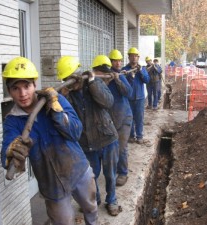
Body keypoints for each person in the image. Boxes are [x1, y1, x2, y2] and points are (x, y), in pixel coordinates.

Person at [0, 57, 98, 225]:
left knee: (91, 208)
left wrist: (57, 111)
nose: (22, 94)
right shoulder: (12, 121)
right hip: (51, 183)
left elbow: (76, 131)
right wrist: (11, 153)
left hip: (78, 169)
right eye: (15, 88)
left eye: (26, 86)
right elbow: (6, 155)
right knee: (63, 222)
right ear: (9, 91)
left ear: (34, 84)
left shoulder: (55, 99)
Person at [57, 55, 121, 216]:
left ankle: (112, 201)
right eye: (66, 80)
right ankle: (95, 200)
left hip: (107, 138)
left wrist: (92, 83)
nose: (71, 83)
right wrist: (63, 97)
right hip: (87, 143)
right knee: (91, 176)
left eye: (72, 79)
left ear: (79, 74)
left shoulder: (95, 83)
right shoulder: (67, 95)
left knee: (110, 174)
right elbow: (66, 120)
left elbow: (108, 102)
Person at [105, 49, 133, 186]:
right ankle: (115, 169)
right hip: (112, 118)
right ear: (110, 62)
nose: (118, 63)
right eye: (116, 60)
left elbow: (129, 92)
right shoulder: (104, 77)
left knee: (121, 147)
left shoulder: (120, 76)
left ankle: (123, 173)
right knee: (112, 147)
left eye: (120, 60)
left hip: (125, 117)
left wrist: (118, 81)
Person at [122, 47, 150, 144]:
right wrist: (129, 76)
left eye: (135, 56)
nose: (134, 58)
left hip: (139, 98)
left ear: (138, 58)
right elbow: (122, 83)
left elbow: (147, 80)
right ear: (128, 57)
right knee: (129, 118)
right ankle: (131, 136)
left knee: (139, 118)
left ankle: (139, 136)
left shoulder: (142, 69)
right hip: (128, 98)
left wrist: (141, 72)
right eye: (132, 56)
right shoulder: (125, 70)